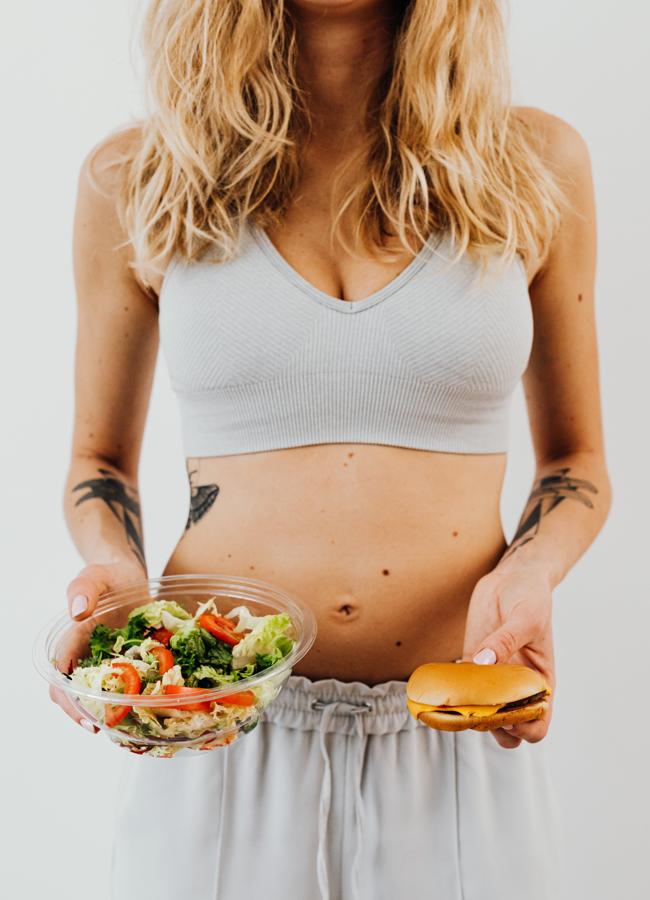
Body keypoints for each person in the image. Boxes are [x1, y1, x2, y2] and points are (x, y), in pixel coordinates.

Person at [50, 1, 611, 898]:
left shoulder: (533, 166)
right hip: (219, 736)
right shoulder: (142, 175)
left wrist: (530, 576)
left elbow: (576, 462)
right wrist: (115, 571)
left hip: (457, 737)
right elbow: (100, 463)